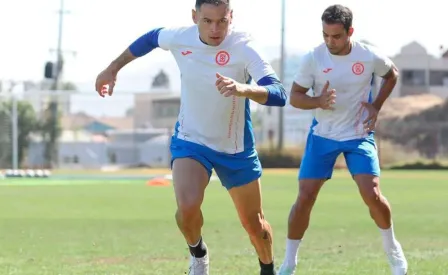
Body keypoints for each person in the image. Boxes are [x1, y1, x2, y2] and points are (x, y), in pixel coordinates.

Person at [95, 1, 287, 274]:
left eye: (222, 21)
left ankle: (267, 268)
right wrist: (113, 68)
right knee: (186, 208)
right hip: (191, 141)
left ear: (231, 16)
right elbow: (150, 38)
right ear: (194, 16)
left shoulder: (245, 47)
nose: (215, 28)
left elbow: (279, 93)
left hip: (235, 149)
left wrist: (243, 89)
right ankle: (198, 253)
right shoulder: (180, 37)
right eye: (207, 21)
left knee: (255, 225)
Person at [278, 4, 408, 275]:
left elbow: (392, 74)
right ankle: (289, 263)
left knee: (371, 193)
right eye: (325, 35)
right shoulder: (313, 58)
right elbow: (295, 97)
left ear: (350, 32)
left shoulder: (368, 55)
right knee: (305, 198)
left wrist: (376, 106)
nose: (330, 41)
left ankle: (392, 248)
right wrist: (318, 101)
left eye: (336, 36)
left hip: (358, 134)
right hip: (323, 135)